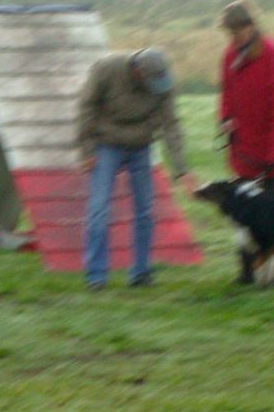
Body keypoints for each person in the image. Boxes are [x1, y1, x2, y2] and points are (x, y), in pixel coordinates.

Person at [77, 47, 198, 290]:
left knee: (146, 210)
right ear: (138, 71)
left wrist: (182, 170)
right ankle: (96, 275)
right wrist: (87, 150)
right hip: (106, 143)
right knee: (99, 209)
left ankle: (141, 272)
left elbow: (171, 126)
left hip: (141, 146)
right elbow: (86, 107)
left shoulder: (163, 85)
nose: (156, 87)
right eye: (151, 81)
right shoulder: (107, 69)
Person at [218, 0, 274, 189]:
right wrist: (226, 117)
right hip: (243, 154)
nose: (233, 38)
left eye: (237, 32)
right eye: (230, 33)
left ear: (251, 26)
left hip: (270, 158)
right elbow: (227, 91)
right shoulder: (230, 55)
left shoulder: (273, 54)